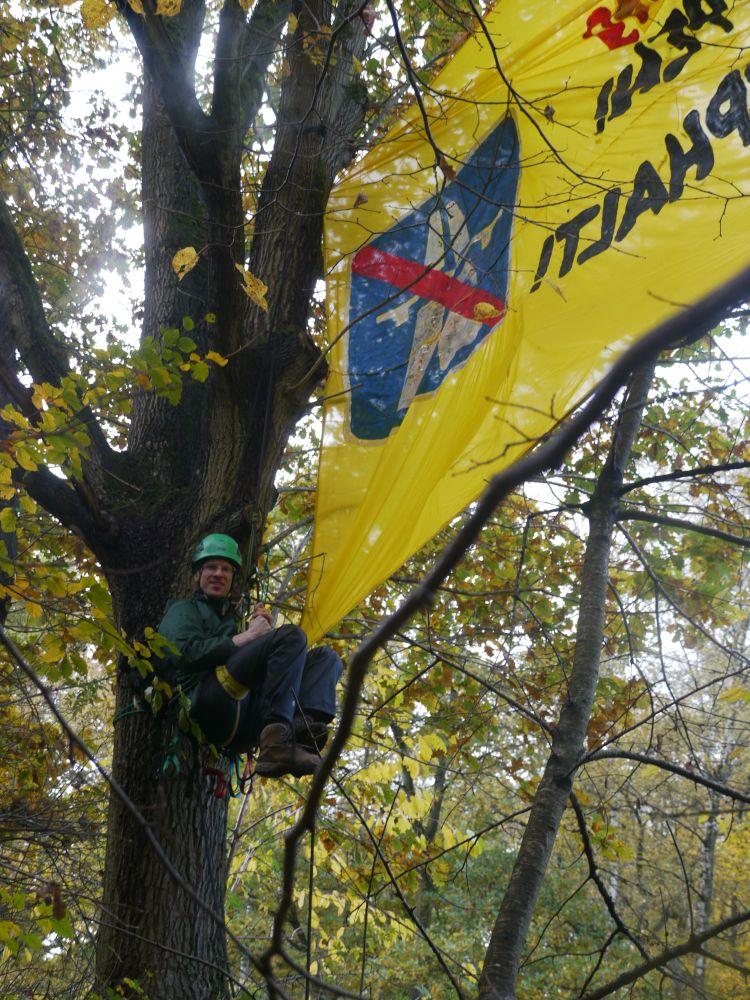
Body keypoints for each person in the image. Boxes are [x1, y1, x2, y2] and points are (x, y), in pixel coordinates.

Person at [157, 533, 344, 778]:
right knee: (291, 636)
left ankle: (299, 732)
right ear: (196, 575)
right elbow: (184, 654)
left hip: (248, 716)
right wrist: (250, 636)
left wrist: (258, 639)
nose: (218, 574)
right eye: (211, 567)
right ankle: (276, 740)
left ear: (232, 578)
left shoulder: (232, 620)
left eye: (226, 569)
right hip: (207, 703)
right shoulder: (183, 611)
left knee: (327, 658)